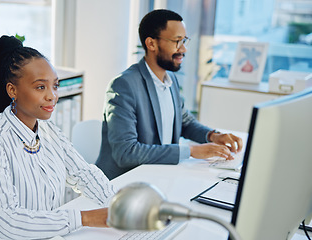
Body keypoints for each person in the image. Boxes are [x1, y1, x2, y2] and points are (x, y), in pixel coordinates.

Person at [0, 35, 115, 240]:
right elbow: (8, 221)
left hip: (45, 234)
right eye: (40, 87)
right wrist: (85, 218)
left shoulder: (48, 130)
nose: (52, 96)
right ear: (12, 90)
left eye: (55, 86)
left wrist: (117, 204)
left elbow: (83, 173)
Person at [95, 9, 244, 180]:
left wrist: (213, 136)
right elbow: (126, 152)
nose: (184, 49)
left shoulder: (169, 78)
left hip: (158, 175)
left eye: (184, 40)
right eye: (177, 41)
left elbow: (184, 122)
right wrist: (192, 151)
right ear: (151, 44)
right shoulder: (123, 86)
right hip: (123, 184)